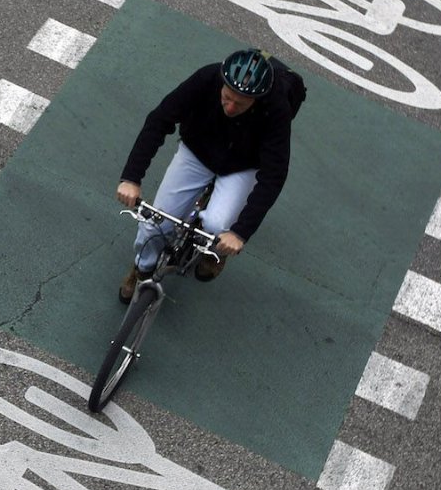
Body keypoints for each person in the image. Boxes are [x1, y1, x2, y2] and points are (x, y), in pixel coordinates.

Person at [115, 48, 302, 303]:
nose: (231, 106)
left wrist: (239, 233)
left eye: (241, 103)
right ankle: (142, 270)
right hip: (197, 152)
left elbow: (274, 175)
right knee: (154, 225)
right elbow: (159, 121)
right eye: (227, 97)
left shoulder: (277, 108)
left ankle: (215, 252)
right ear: (221, 84)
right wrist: (131, 178)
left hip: (242, 166)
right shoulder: (206, 79)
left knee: (216, 227)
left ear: (257, 99)